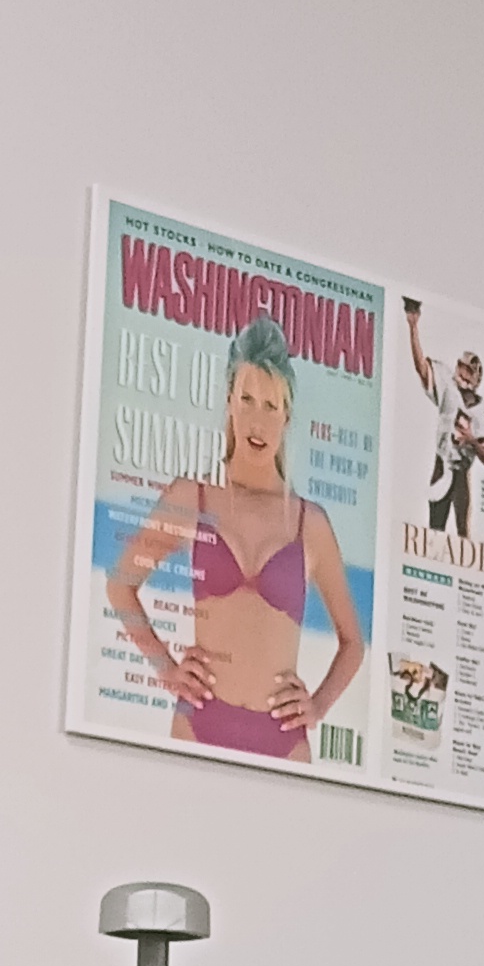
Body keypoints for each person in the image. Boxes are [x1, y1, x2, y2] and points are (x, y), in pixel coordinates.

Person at [105, 318, 368, 760]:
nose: (257, 420)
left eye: (270, 405)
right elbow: (120, 585)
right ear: (229, 401)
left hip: (283, 739)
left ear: (286, 416)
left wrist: (318, 705)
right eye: (246, 399)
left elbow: (353, 643)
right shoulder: (190, 497)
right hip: (198, 723)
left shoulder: (310, 523)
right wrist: (166, 670)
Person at [403, 296, 484, 534]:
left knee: (463, 533)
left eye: (469, 372)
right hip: (441, 463)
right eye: (461, 368)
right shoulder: (447, 385)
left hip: (462, 472)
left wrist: (471, 440)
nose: (463, 374)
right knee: (435, 529)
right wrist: (413, 327)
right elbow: (421, 367)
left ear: (476, 378)